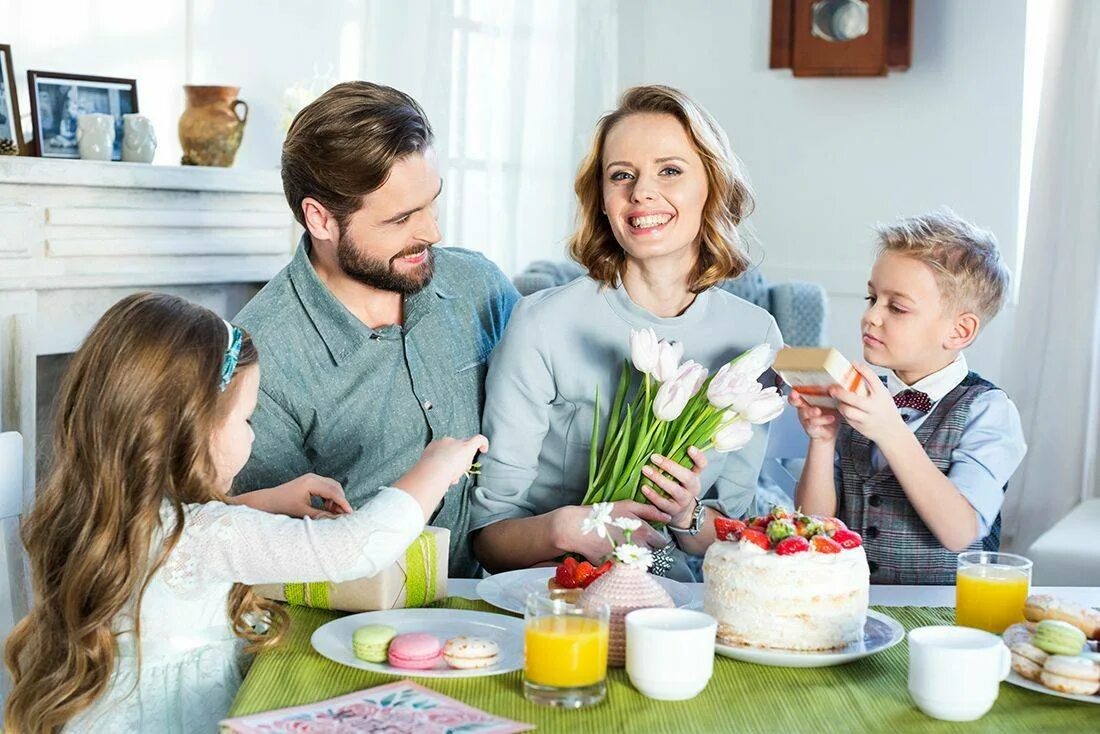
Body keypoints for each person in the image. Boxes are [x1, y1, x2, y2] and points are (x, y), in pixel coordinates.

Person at [2, 292, 487, 733]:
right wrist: (434, 470)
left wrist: (259, 501)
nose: (252, 436)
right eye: (246, 418)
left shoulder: (93, 516)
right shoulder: (208, 535)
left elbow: (174, 549)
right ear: (192, 429)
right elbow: (354, 548)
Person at [471, 85, 783, 581]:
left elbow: (735, 529)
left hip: (685, 604)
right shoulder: (542, 324)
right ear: (602, 199)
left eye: (671, 170)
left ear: (713, 186)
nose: (642, 192)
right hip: (558, 594)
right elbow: (488, 537)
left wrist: (686, 515)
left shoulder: (754, 335)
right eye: (622, 176)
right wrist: (564, 531)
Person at [233, 82, 519, 578]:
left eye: (431, 203)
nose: (433, 232)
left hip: (503, 603)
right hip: (352, 629)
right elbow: (277, 557)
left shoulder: (479, 286)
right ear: (320, 219)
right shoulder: (260, 355)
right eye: (402, 218)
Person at [792, 211, 1027, 584]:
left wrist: (890, 431)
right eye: (872, 298)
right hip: (853, 607)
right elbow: (813, 528)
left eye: (896, 307)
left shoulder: (988, 411)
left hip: (946, 617)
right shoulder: (864, 396)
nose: (871, 316)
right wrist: (823, 441)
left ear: (959, 331)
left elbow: (960, 532)